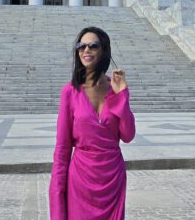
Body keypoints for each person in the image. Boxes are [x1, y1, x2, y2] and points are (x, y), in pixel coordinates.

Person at [50, 27, 136, 220]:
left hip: (112, 177)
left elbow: (128, 135)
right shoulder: (70, 92)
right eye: (81, 46)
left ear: (104, 50)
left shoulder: (115, 88)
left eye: (93, 46)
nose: (85, 50)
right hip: (81, 178)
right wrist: (56, 200)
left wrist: (122, 95)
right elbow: (62, 150)